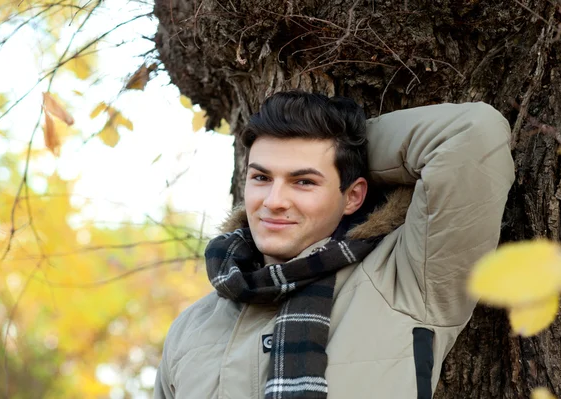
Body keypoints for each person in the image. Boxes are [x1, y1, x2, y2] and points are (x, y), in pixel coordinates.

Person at [153, 91, 515, 399]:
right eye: (261, 177)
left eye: (304, 182)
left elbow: (473, 134)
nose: (274, 200)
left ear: (354, 196)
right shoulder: (190, 329)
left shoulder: (406, 279)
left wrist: (348, 145)